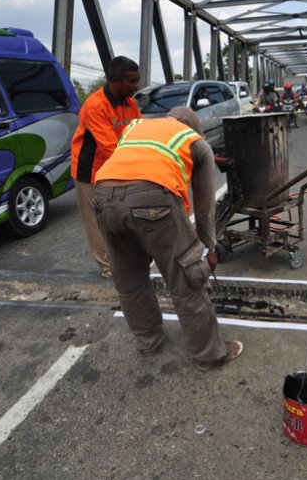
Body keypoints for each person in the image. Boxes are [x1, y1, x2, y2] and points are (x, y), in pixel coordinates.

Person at [92, 106, 243, 370]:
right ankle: (211, 354)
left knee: (129, 280)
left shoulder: (135, 127)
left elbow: (128, 169)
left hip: (103, 197)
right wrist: (208, 248)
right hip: (152, 198)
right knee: (187, 279)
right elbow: (205, 207)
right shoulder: (196, 143)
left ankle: (149, 342)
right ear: (193, 128)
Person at [71, 56, 141, 279]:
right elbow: (111, 147)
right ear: (115, 80)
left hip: (116, 168)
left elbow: (138, 132)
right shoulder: (95, 106)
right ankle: (108, 267)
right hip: (90, 172)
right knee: (97, 221)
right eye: (132, 82)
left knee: (119, 215)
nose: (136, 86)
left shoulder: (129, 102)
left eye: (137, 80)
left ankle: (126, 257)